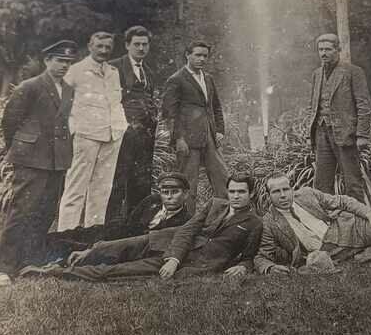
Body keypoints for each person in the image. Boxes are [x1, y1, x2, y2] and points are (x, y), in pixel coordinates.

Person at [0, 40, 78, 285]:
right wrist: (21, 151)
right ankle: (2, 269)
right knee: (22, 211)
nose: (64, 66)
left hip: (57, 161)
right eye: (59, 61)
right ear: (47, 61)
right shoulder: (31, 86)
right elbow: (10, 122)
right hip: (31, 160)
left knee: (45, 212)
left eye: (68, 62)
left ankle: (28, 260)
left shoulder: (68, 90)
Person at [22, 172, 262, 282]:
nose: (235, 196)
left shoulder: (254, 223)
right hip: (164, 241)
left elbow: (249, 256)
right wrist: (174, 258)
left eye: (241, 192)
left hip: (193, 264)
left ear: (251, 194)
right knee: (109, 247)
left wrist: (242, 266)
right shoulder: (215, 204)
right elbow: (188, 230)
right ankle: (66, 260)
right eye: (232, 191)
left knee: (118, 272)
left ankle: (55, 273)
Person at [57, 31, 127, 235]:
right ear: (90, 46)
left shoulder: (113, 71)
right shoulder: (76, 71)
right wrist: (73, 131)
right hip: (85, 135)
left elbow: (116, 102)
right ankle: (65, 236)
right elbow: (62, 105)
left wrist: (122, 127)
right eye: (100, 46)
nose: (104, 51)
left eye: (108, 47)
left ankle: (90, 237)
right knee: (75, 188)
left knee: (101, 189)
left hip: (112, 135)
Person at [161, 39, 228, 212]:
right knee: (189, 183)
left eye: (205, 56)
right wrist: (178, 139)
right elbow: (170, 113)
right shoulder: (176, 79)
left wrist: (219, 130)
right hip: (188, 140)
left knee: (222, 177)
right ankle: (186, 221)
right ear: (187, 55)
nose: (202, 59)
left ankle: (224, 217)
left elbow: (215, 106)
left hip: (210, 137)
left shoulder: (208, 78)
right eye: (197, 55)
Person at [309, 33, 371, 202]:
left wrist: (362, 135)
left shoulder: (353, 72)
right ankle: (327, 220)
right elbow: (314, 104)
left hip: (346, 134)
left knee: (353, 182)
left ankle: (359, 220)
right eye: (321, 50)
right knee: (322, 183)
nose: (324, 53)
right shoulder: (316, 74)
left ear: (338, 50)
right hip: (321, 133)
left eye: (328, 49)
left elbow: (364, 105)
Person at [106, 25, 158, 228]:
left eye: (145, 44)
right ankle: (111, 226)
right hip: (122, 136)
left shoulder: (149, 73)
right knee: (118, 181)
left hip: (145, 138)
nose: (141, 48)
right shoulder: (113, 68)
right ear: (127, 45)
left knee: (142, 182)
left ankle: (135, 227)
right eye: (136, 44)